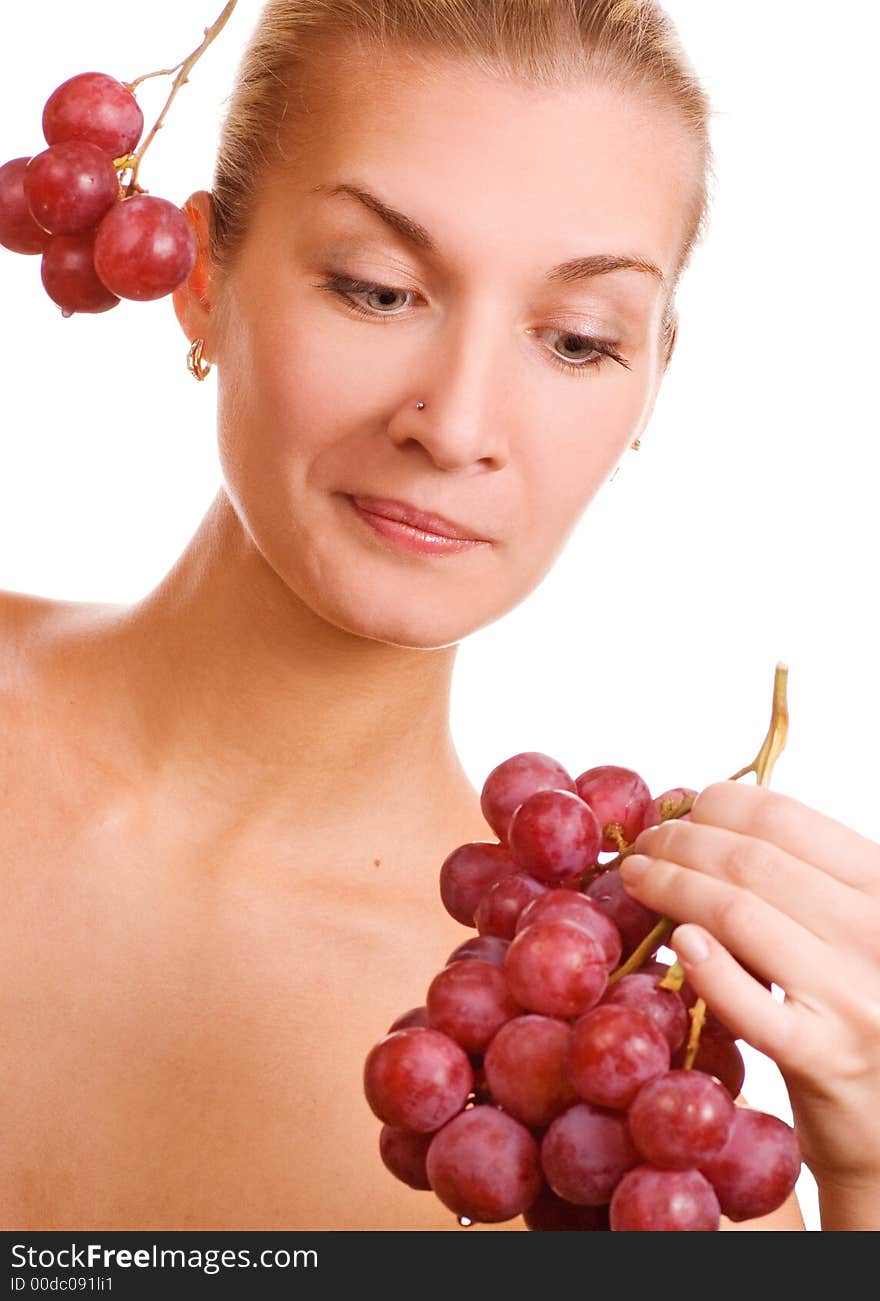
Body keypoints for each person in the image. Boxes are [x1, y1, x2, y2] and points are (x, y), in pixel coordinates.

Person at [1, 0, 877, 1232]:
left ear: (648, 389)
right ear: (202, 278)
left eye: (575, 343)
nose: (456, 425)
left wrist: (869, 1195)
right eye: (376, 290)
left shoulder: (583, 1097)